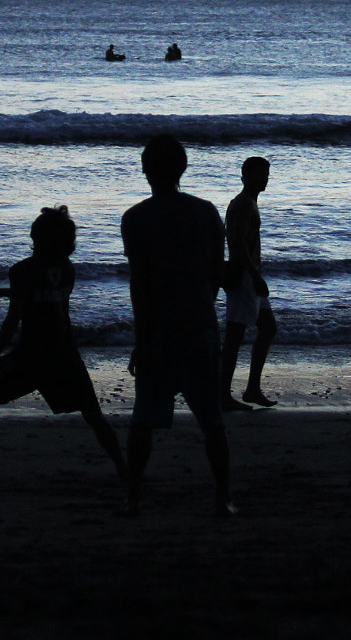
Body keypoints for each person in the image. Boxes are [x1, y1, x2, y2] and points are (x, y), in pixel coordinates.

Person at [0, 207, 125, 479]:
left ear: (36, 238)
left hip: (31, 356)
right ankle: (123, 468)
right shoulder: (67, 269)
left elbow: (13, 319)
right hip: (65, 353)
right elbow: (41, 294)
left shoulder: (21, 270)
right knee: (92, 414)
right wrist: (5, 291)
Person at [120, 134, 234, 516]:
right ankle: (223, 498)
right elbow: (218, 272)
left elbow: (140, 285)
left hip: (157, 329)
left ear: (145, 170)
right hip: (198, 323)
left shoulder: (136, 218)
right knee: (211, 420)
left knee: (144, 420)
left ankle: (134, 497)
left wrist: (141, 339)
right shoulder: (205, 212)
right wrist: (201, 303)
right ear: (182, 169)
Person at [220, 157, 278, 411]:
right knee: (234, 335)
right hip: (244, 275)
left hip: (247, 273)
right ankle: (222, 393)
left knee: (268, 327)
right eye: (260, 174)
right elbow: (237, 242)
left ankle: (252, 388)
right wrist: (255, 275)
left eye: (266, 174)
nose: (265, 179)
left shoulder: (245, 202)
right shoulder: (244, 204)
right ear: (245, 176)